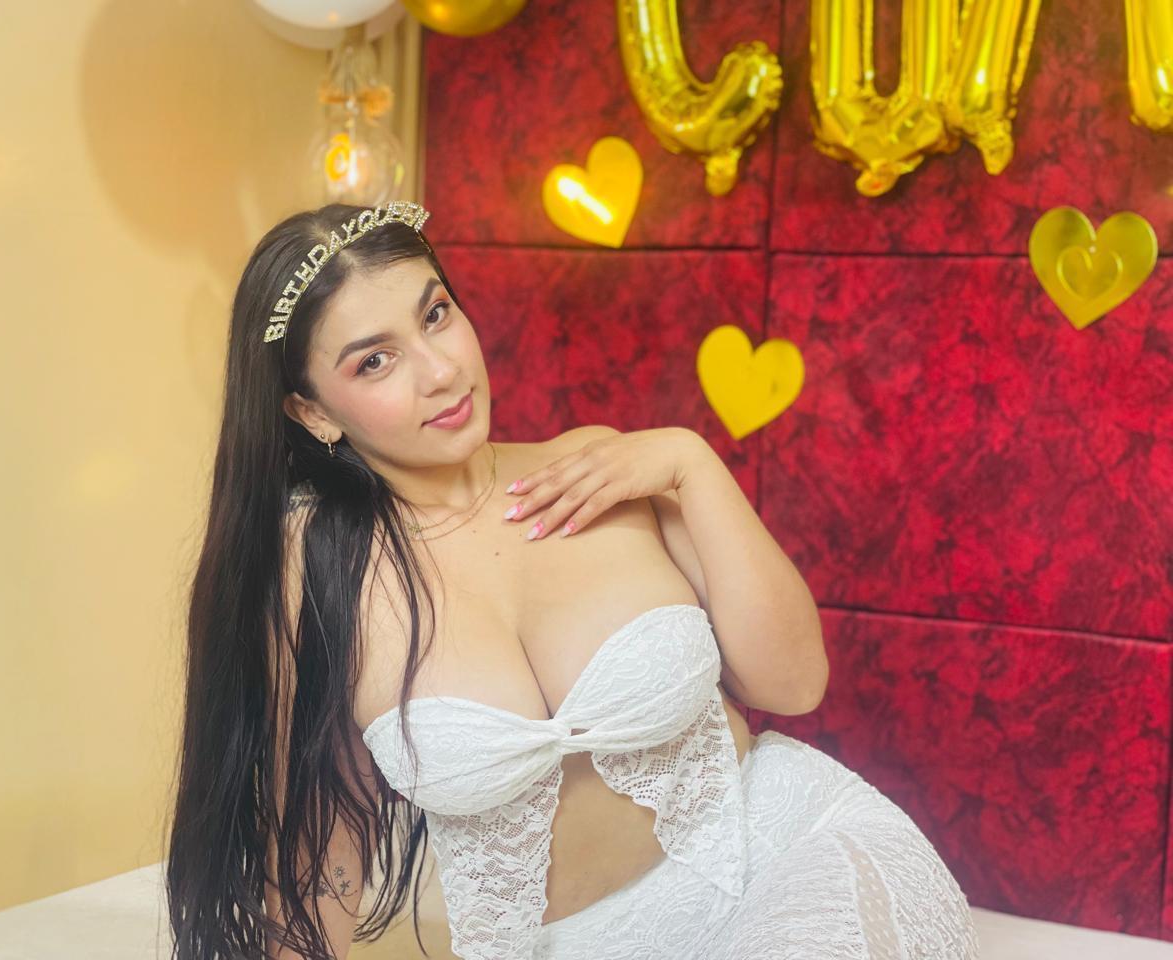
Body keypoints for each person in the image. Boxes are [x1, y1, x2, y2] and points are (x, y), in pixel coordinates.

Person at [164, 200, 981, 960]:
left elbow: (794, 685)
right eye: (376, 361)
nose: (440, 371)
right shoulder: (324, 576)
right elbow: (320, 853)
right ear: (312, 412)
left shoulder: (601, 467)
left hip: (788, 860)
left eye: (436, 314)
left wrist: (692, 463)